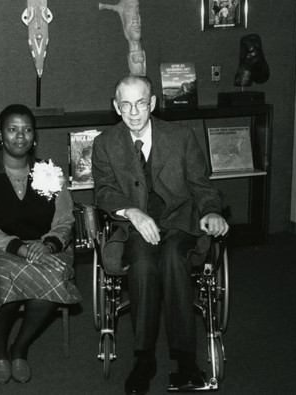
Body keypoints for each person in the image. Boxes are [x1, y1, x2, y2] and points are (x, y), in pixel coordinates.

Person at [91, 75, 229, 395]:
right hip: (137, 226)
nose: (134, 112)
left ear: (152, 103)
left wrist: (210, 210)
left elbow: (201, 185)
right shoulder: (105, 143)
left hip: (179, 221)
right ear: (116, 107)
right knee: (141, 263)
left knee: (173, 258)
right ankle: (144, 358)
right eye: (126, 105)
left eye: (141, 103)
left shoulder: (180, 136)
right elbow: (105, 192)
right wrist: (133, 212)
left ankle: (185, 360)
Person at [0, 104, 81, 384]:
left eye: (27, 130)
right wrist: (22, 249)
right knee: (5, 273)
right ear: (0, 136)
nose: (20, 136)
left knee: (52, 274)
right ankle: (0, 348)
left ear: (34, 137)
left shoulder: (49, 173)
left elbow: (64, 220)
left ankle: (20, 347)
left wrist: (48, 245)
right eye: (12, 130)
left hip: (46, 246)